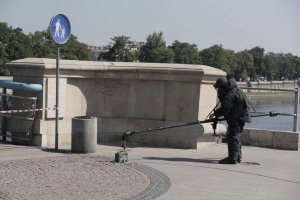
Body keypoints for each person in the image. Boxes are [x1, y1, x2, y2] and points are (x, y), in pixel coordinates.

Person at [211, 77, 251, 164]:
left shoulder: (230, 94)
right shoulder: (234, 89)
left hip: (237, 118)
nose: (217, 90)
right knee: (235, 137)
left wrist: (215, 113)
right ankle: (237, 157)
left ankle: (232, 159)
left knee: (233, 137)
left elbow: (225, 108)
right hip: (239, 117)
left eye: (218, 88)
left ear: (222, 87)